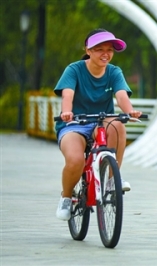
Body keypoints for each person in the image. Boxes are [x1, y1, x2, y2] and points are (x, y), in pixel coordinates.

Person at [54, 28, 142, 221]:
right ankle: (66, 197)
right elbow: (67, 94)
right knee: (76, 160)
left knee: (118, 124)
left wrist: (129, 111)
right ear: (88, 50)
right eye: (99, 49)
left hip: (101, 121)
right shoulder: (74, 69)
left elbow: (121, 96)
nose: (106, 54)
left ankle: (112, 179)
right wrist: (66, 112)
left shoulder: (114, 72)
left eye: (110, 49)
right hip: (74, 123)